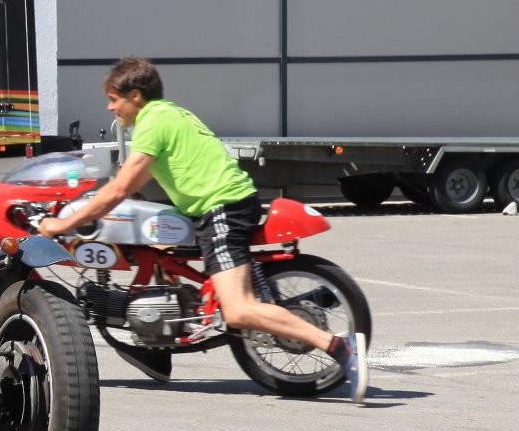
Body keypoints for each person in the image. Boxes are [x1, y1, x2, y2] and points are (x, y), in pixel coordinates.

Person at [35, 56, 369, 402]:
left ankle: (339, 346)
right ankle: (155, 347)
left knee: (238, 310)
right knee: (156, 249)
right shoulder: (171, 113)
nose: (110, 107)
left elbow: (118, 189)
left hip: (221, 209)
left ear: (135, 95)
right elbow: (136, 182)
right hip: (217, 206)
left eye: (114, 99)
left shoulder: (153, 121)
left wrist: (65, 222)